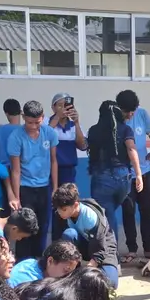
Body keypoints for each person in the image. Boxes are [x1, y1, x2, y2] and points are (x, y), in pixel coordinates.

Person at [85, 100, 142, 243]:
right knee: (111, 212)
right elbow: (131, 149)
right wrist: (139, 174)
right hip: (123, 178)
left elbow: (85, 146)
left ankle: (111, 255)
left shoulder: (94, 130)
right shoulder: (125, 129)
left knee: (106, 216)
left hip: (102, 178)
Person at [9, 100, 59, 260]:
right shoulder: (16, 137)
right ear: (24, 117)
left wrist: (55, 188)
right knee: (25, 227)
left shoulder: (49, 133)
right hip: (25, 187)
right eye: (30, 122)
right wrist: (16, 198)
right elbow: (15, 170)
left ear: (43, 117)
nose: (33, 126)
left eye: (37, 122)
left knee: (42, 227)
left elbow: (53, 161)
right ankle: (23, 261)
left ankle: (39, 261)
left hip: (44, 187)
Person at [52, 183, 121, 289]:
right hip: (86, 244)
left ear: (75, 205)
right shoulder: (64, 213)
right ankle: (72, 271)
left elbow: (100, 249)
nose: (60, 213)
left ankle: (111, 267)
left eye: (64, 209)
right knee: (69, 234)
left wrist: (87, 271)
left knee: (110, 284)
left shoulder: (90, 217)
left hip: (104, 247)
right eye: (58, 209)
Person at [118, 89, 150, 262]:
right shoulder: (115, 119)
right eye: (128, 112)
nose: (131, 114)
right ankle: (132, 248)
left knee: (146, 211)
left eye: (133, 111)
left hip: (145, 172)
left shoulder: (142, 114)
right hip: (126, 175)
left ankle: (148, 248)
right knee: (128, 212)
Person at [49, 93, 88, 240]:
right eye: (60, 105)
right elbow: (44, 136)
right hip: (52, 171)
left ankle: (68, 240)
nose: (64, 108)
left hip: (69, 172)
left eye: (67, 105)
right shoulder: (48, 122)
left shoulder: (73, 125)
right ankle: (56, 241)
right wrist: (57, 118)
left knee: (68, 206)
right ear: (53, 107)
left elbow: (82, 145)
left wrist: (77, 122)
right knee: (54, 208)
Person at [9, 239, 81, 287]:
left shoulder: (30, 262)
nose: (67, 277)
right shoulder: (35, 285)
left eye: (70, 273)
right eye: (65, 270)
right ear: (50, 261)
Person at [0, 98, 23, 166]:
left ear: (6, 113)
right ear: (20, 112)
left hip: (3, 170)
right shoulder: (27, 130)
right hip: (21, 170)